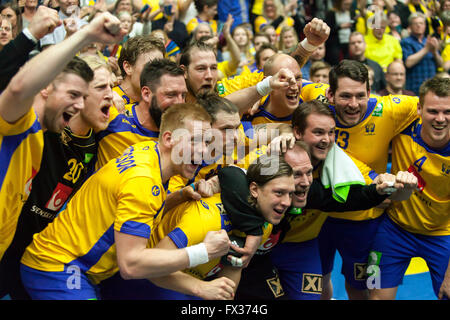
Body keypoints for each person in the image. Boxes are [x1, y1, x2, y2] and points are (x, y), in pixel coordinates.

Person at [19, 103, 232, 300]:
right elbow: (131, 266)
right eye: (195, 140)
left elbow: (137, 210)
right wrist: (205, 251)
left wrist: (179, 196)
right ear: (168, 139)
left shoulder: (148, 152)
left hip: (76, 268)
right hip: (56, 266)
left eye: (206, 142)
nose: (204, 152)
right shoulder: (143, 181)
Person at [0, 11, 125, 262]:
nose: (79, 105)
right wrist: (84, 35)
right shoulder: (21, 124)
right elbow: (18, 87)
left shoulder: (39, 136)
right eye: (73, 94)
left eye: (82, 97)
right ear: (45, 87)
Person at [298, 59, 420, 299]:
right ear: (330, 94)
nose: (353, 104)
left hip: (366, 222)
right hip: (318, 218)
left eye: (359, 95)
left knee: (363, 289)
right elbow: (282, 80)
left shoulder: (391, 109)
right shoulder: (315, 94)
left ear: (369, 92)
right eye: (345, 96)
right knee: (317, 284)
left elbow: (437, 104)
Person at [100, 154, 295, 300]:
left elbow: (229, 279)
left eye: (290, 194)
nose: (287, 202)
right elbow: (148, 269)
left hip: (189, 280)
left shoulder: (264, 223)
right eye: (279, 193)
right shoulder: (205, 220)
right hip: (144, 279)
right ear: (253, 190)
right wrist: (201, 288)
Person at [0, 54, 115, 300]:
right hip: (9, 244)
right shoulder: (41, 127)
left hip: (39, 253)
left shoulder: (97, 142)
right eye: (101, 87)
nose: (112, 95)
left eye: (112, 87)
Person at [368, 77, 450, 300]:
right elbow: (359, 103)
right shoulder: (401, 124)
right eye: (433, 111)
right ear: (419, 109)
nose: (440, 119)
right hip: (394, 229)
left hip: (443, 234)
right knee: (373, 294)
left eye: (447, 112)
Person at [95, 58, 187, 171]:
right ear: (146, 94)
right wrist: (107, 93)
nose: (180, 103)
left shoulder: (180, 138)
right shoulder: (114, 114)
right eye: (171, 95)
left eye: (183, 95)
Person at [114, 35, 166, 105]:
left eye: (161, 67)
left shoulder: (161, 102)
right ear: (128, 67)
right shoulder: (108, 100)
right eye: (150, 67)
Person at [401, 12, 443, 94]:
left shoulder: (429, 41)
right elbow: (408, 63)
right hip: (414, 87)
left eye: (421, 23)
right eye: (415, 23)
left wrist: (434, 52)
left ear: (425, 26)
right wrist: (426, 49)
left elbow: (441, 64)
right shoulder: (406, 42)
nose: (418, 25)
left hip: (432, 86)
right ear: (410, 26)